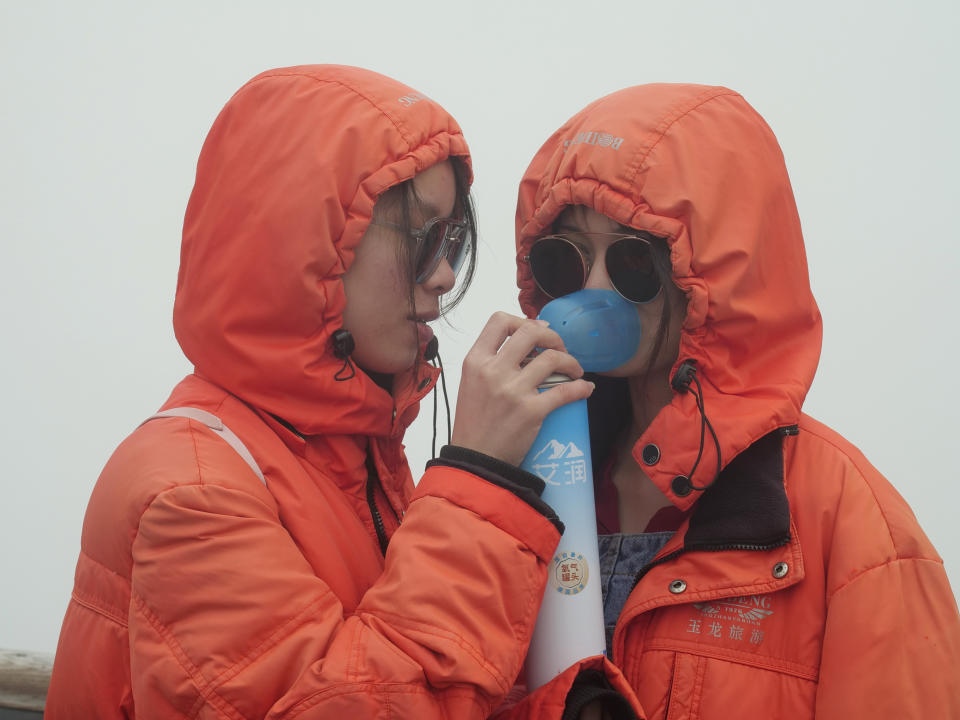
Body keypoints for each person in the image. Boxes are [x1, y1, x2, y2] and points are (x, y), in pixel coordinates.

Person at [44, 65, 594, 718]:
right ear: (304, 241)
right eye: (421, 238)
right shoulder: (192, 489)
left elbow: (432, 679)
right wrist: (479, 479)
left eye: (451, 241)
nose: (444, 275)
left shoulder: (355, 457)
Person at [496, 84, 960, 719]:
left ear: (713, 277)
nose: (595, 288)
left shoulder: (849, 523)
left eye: (633, 261)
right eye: (565, 260)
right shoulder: (514, 478)